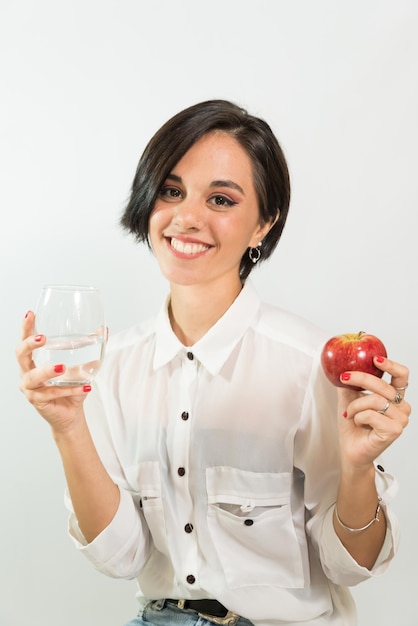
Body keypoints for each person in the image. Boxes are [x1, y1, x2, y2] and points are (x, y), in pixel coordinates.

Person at [17, 100, 410, 626]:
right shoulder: (111, 368)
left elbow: (351, 568)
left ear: (262, 226)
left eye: (220, 199)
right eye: (171, 190)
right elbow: (122, 558)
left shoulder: (308, 366)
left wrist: (359, 468)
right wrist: (67, 427)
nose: (187, 217)